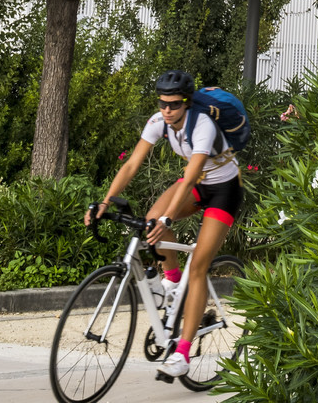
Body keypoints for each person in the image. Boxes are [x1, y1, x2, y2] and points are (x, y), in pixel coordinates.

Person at [89, 70, 238, 379]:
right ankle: (172, 283)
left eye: (174, 104)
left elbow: (191, 176)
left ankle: (182, 354)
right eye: (162, 103)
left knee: (198, 267)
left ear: (187, 103)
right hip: (197, 185)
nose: (167, 110)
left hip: (224, 190)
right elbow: (132, 164)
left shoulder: (202, 125)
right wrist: (105, 201)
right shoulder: (159, 122)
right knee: (150, 223)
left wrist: (168, 217)